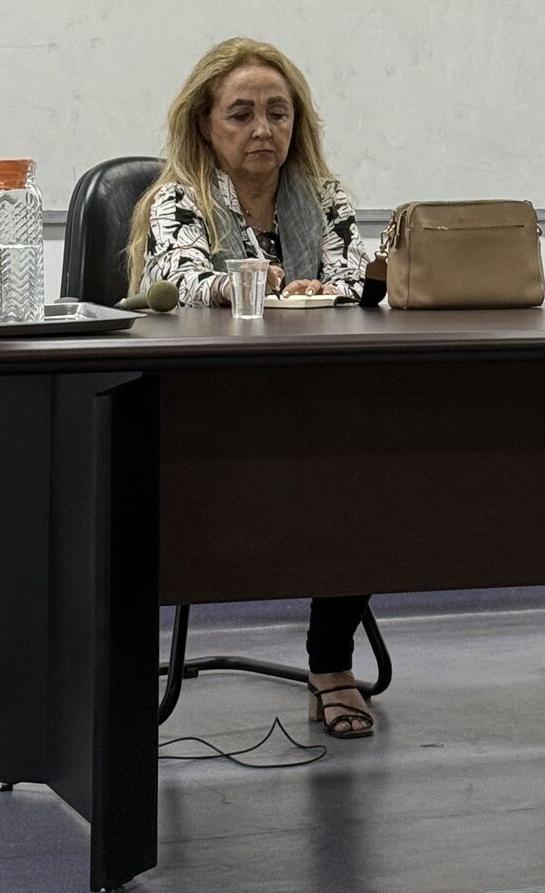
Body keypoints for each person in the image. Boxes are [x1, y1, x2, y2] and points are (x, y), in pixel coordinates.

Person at [125, 36, 376, 738]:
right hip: (208, 412)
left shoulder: (327, 199)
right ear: (206, 124)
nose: (263, 129)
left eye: (277, 112)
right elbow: (175, 283)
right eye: (241, 114)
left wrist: (327, 287)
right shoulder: (180, 198)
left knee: (363, 474)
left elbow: (361, 280)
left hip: (314, 403)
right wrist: (248, 281)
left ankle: (331, 663)